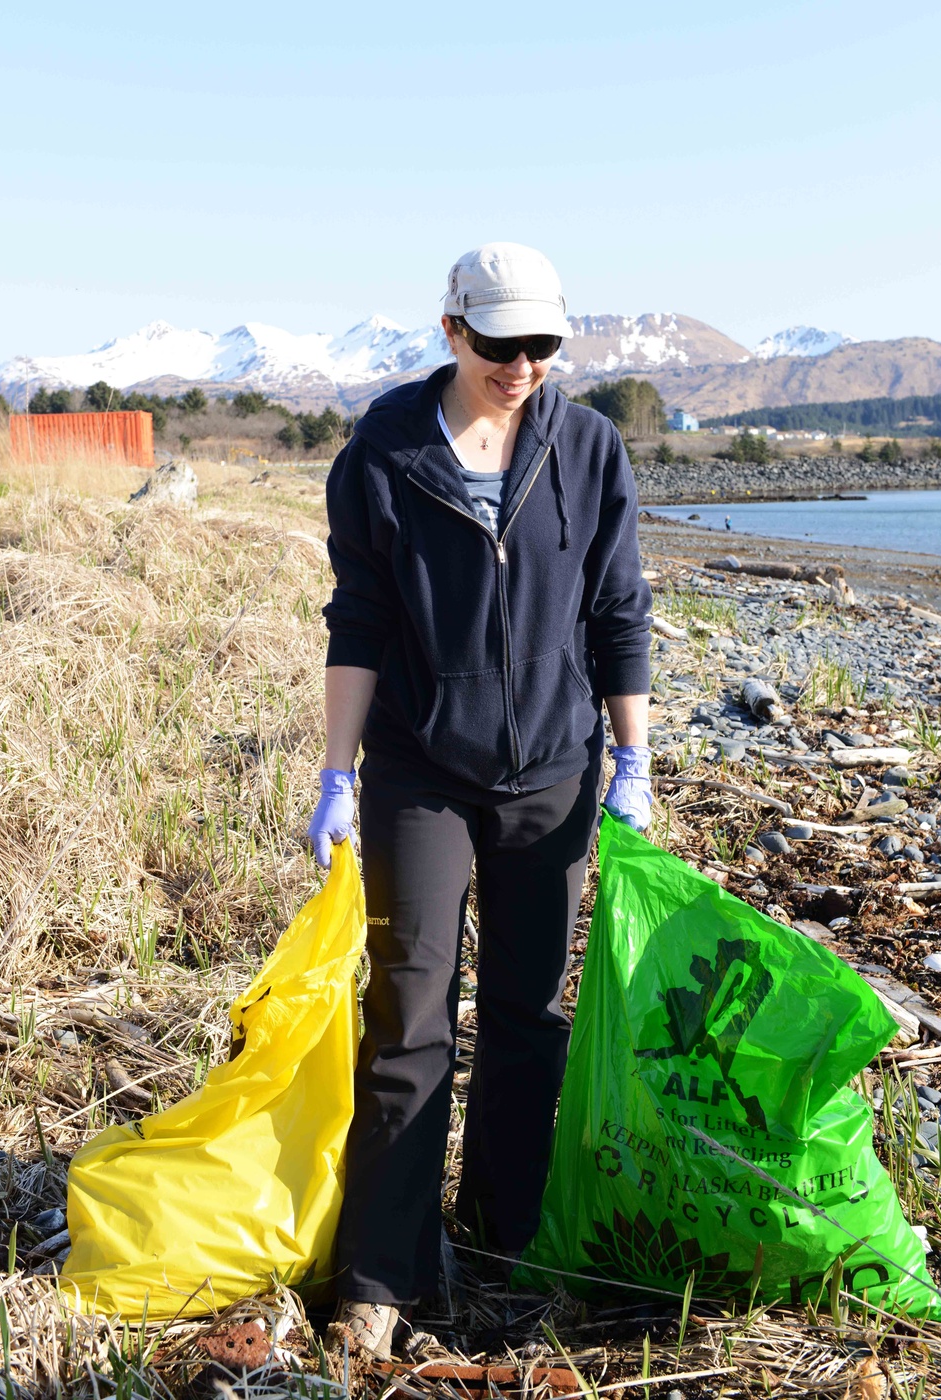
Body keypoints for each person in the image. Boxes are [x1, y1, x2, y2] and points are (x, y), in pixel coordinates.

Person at [309, 243, 653, 1359]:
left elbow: (617, 610)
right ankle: (380, 1269)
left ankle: (501, 1247)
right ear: (451, 329)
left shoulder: (588, 448)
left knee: (526, 1019)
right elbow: (357, 615)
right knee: (407, 1019)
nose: (523, 365)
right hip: (419, 771)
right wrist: (334, 773)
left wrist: (630, 756)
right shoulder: (385, 450)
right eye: (501, 343)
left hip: (552, 773)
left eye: (543, 345)